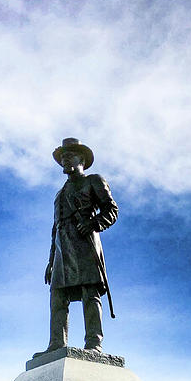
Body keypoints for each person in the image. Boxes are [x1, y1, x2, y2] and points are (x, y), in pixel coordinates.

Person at [38, 137, 118, 355]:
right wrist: (50, 261)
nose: (65, 160)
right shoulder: (59, 194)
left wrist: (94, 223)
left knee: (89, 293)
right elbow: (55, 228)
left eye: (69, 156)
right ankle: (56, 343)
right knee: (57, 296)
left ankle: (94, 343)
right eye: (62, 158)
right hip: (63, 250)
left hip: (85, 244)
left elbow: (111, 210)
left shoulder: (93, 180)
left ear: (81, 158)